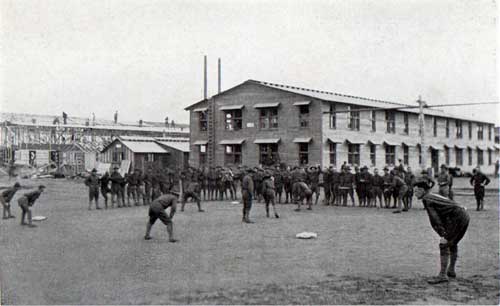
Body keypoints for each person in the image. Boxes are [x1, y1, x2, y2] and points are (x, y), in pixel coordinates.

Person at [413, 179, 470, 284]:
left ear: (422, 190)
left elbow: (435, 218)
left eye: (416, 191)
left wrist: (443, 233)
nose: (414, 193)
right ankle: (451, 270)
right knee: (452, 243)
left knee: (444, 243)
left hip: (457, 217)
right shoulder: (432, 195)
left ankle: (443, 275)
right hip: (463, 215)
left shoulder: (427, 199)